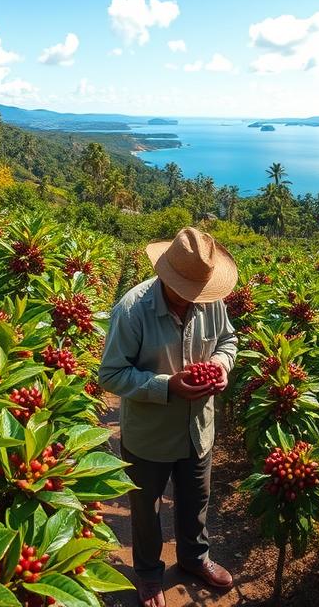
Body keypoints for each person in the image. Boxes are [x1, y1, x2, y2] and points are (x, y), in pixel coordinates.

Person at [99, 227, 238, 607]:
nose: (196, 299)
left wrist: (220, 364)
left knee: (197, 500)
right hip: (150, 435)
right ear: (165, 275)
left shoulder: (211, 300)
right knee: (146, 508)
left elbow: (228, 340)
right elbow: (110, 374)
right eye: (187, 290)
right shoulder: (132, 310)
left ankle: (195, 559)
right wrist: (166, 386)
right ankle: (147, 572)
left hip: (198, 429)